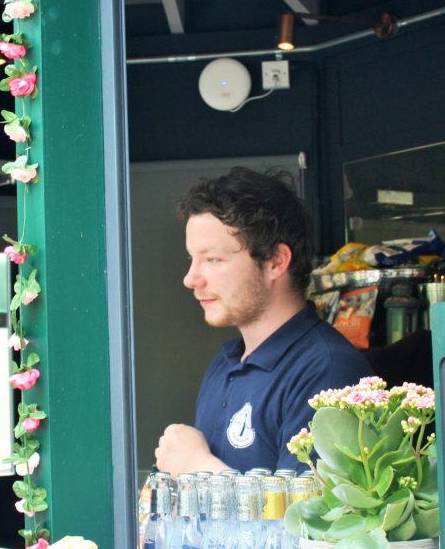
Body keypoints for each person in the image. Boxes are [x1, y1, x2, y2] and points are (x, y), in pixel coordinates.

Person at [154, 167, 376, 474]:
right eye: (191, 258)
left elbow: (309, 518)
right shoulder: (224, 365)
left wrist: (199, 469)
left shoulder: (328, 371)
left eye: (213, 259)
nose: (191, 278)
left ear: (275, 261)